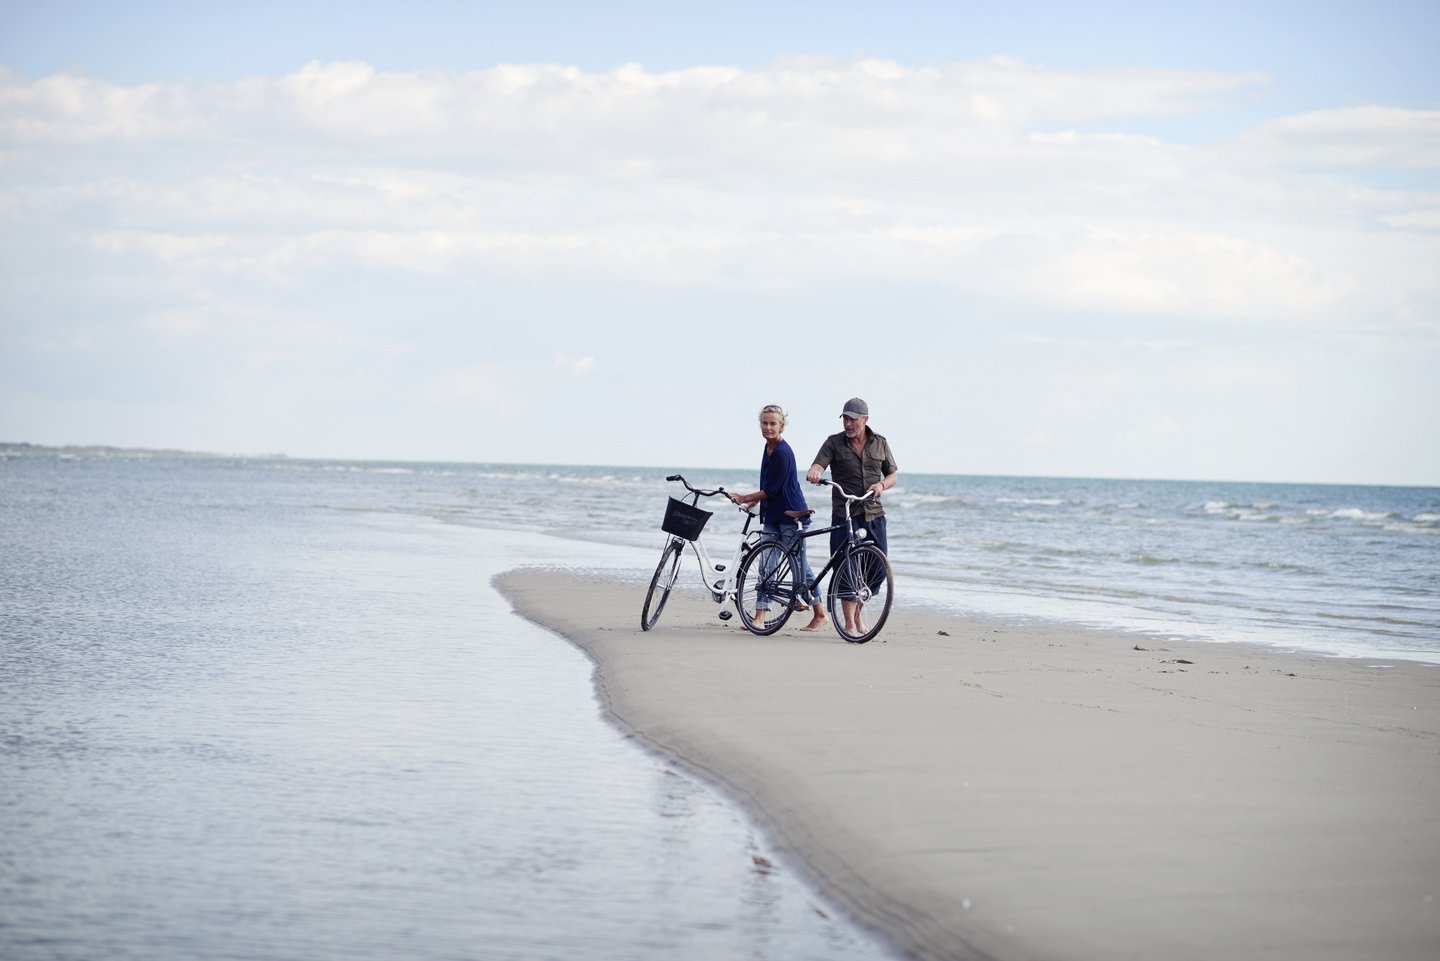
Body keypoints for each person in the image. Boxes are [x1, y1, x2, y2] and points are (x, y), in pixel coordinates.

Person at [806, 397, 898, 636]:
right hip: (845, 514)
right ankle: (849, 623)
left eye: (852, 419)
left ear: (865, 419)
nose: (848, 424)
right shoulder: (834, 443)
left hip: (874, 513)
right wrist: (816, 471)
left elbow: (892, 475)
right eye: (845, 418)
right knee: (846, 568)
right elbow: (818, 464)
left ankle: (859, 613)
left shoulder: (880, 443)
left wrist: (881, 485)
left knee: (877, 568)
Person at [729, 404, 826, 632]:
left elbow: (772, 489)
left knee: (800, 567)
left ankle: (820, 613)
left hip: (791, 514)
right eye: (764, 423)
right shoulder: (768, 447)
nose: (768, 427)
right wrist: (754, 501)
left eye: (773, 423)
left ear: (782, 426)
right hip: (773, 513)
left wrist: (745, 496)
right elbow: (769, 485)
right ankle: (759, 617)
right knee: (766, 565)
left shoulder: (783, 452)